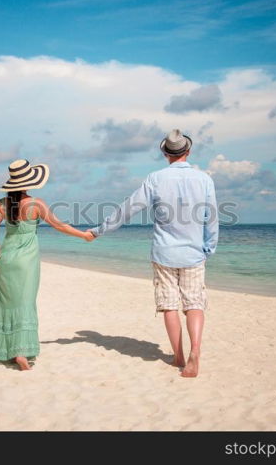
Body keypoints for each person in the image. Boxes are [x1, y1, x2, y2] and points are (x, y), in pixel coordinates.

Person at [89, 130, 218, 377]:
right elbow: (211, 218)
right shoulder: (204, 180)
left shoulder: (155, 179)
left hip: (164, 253)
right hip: (193, 253)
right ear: (188, 152)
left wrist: (99, 231)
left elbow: (129, 209)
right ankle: (196, 351)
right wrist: (209, 248)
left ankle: (179, 355)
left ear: (165, 153)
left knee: (169, 305)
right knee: (195, 303)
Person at [0, 159, 94, 370]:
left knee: (6, 303)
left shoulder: (1, 204)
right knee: (25, 303)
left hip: (8, 259)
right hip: (27, 262)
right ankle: (21, 352)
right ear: (27, 182)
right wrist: (84, 236)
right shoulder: (36, 204)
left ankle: (6, 349)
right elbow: (60, 226)